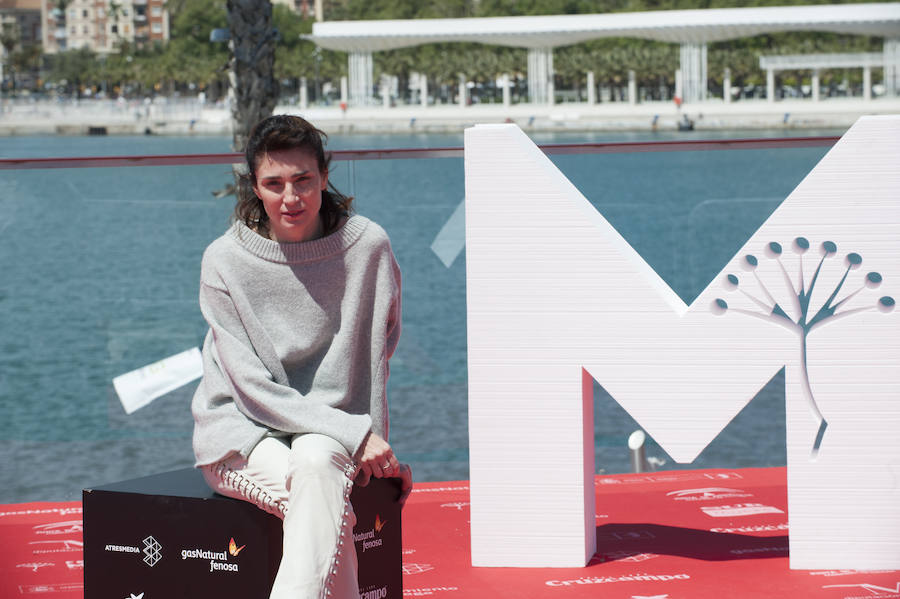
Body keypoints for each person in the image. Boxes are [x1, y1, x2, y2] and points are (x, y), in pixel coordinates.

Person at [191, 114, 412, 599]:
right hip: (242, 431)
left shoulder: (368, 247)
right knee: (321, 493)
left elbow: (380, 346)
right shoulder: (224, 261)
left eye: (302, 181)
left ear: (325, 177)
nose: (290, 198)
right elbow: (251, 389)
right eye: (274, 183)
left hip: (329, 434)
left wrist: (354, 427)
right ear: (254, 186)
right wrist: (357, 434)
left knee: (315, 465)